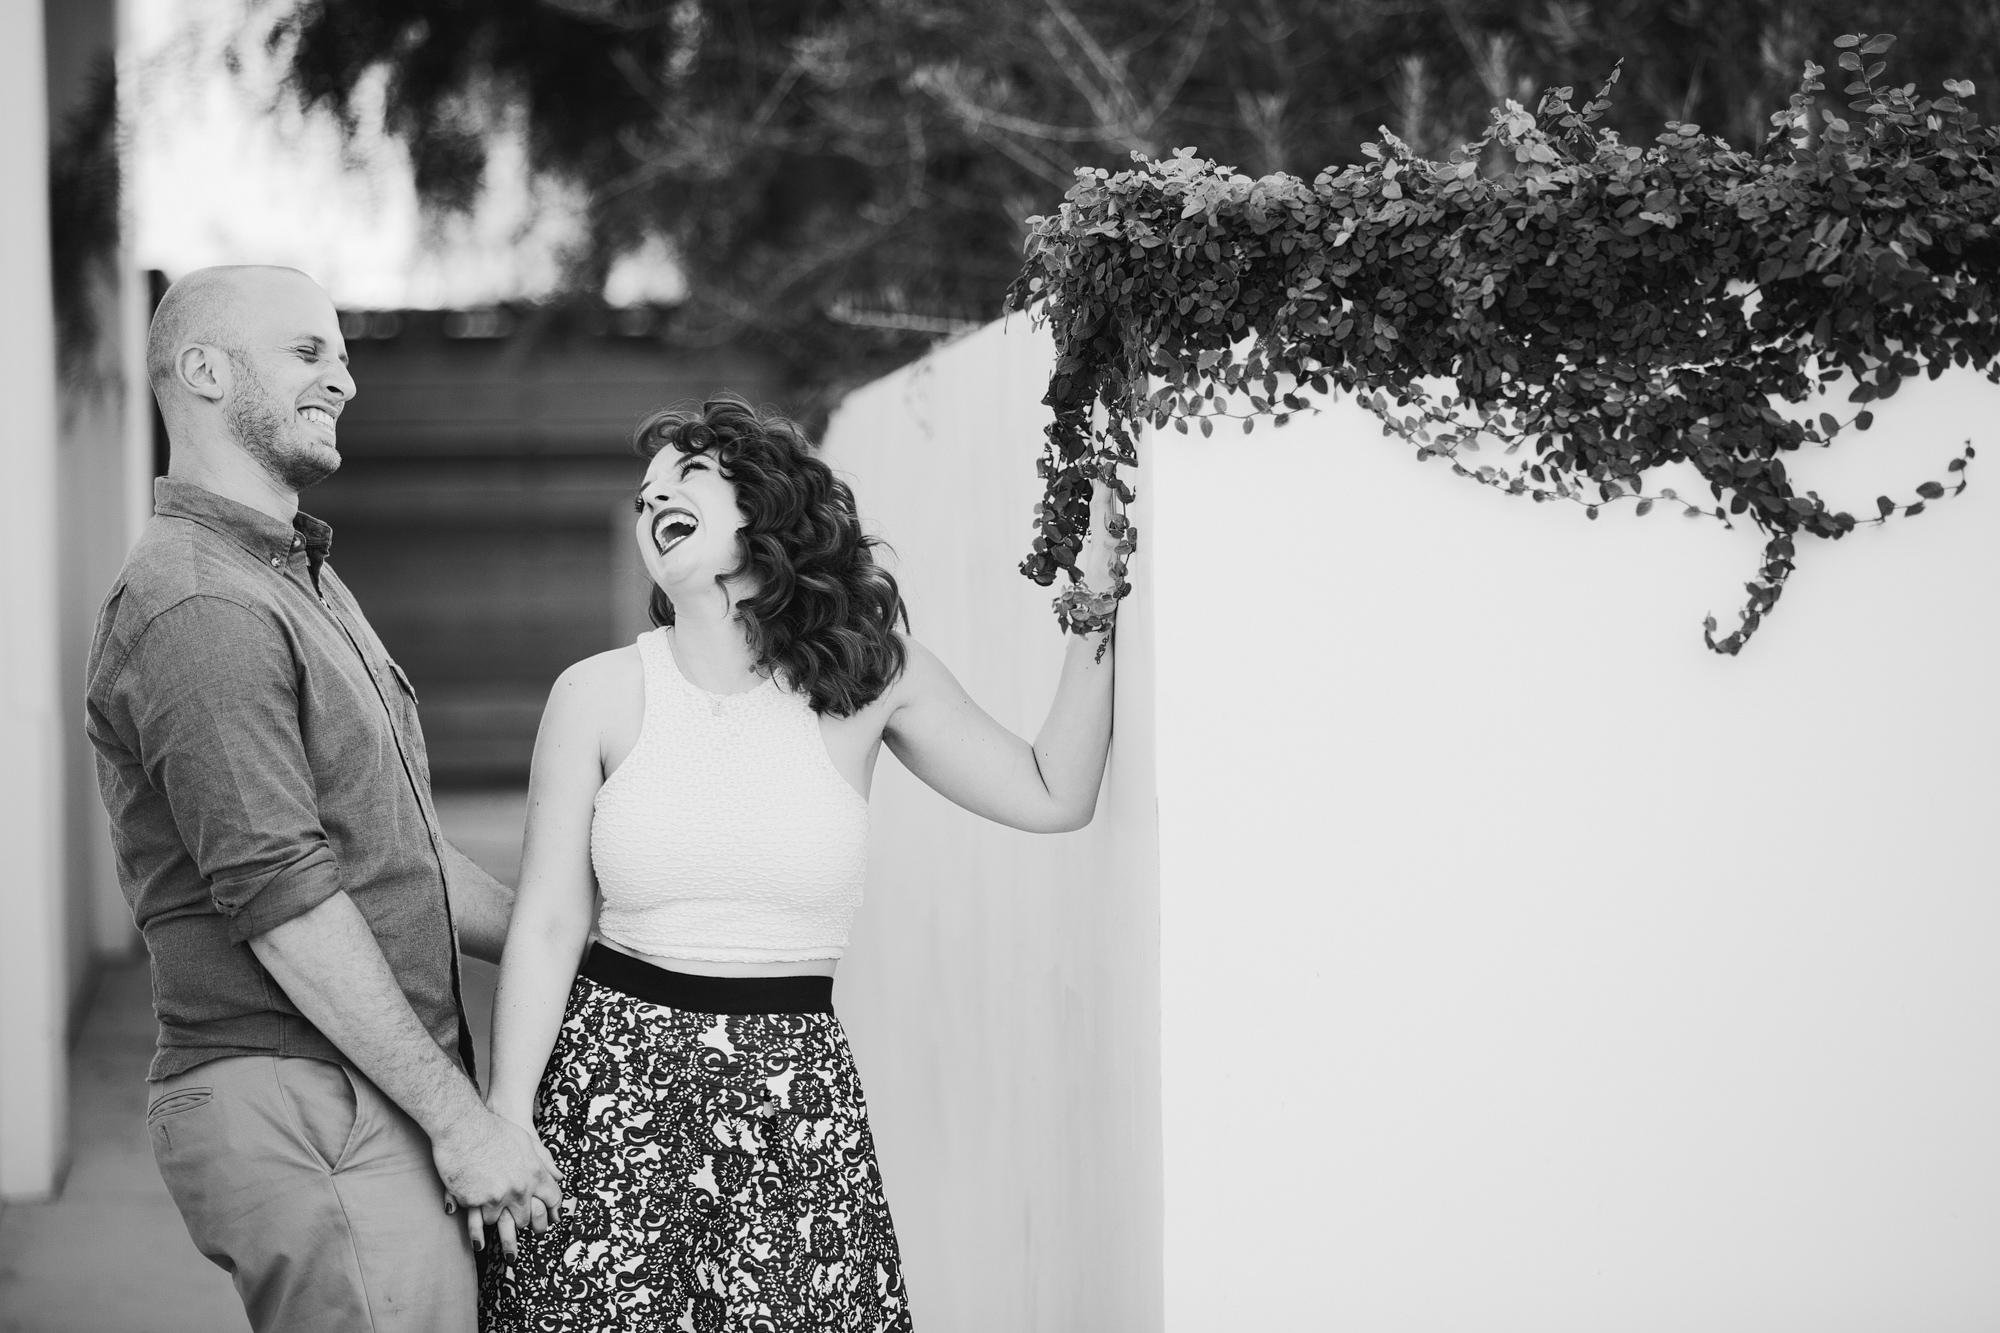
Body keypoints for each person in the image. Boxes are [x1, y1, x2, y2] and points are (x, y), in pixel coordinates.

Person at [477, 395, 1118, 1331]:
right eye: (646, 490)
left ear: (765, 507)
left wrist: (1097, 594)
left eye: (689, 476)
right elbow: (546, 923)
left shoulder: (869, 678)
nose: (657, 500)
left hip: (796, 1101)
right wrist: (506, 1115)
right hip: (608, 1091)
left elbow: (1053, 790)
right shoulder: (596, 693)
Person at [85, 265, 563, 1332]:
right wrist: (463, 1121)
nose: (344, 378)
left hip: (354, 1085)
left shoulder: (296, 579)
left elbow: (406, 858)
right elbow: (284, 902)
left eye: (341, 355)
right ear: (204, 372)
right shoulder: (198, 602)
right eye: (309, 352)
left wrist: (596, 937)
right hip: (305, 1092)